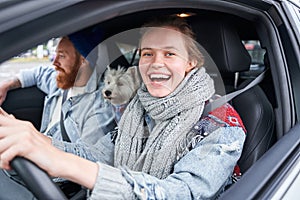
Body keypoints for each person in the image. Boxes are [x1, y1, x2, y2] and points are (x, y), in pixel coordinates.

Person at [0, 17, 246, 199]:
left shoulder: (221, 124)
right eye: (147, 54)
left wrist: (66, 164)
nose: (155, 64)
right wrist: (38, 142)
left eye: (169, 54)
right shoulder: (140, 109)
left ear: (190, 63)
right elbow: (99, 155)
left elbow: (181, 193)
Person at [0, 36, 115, 162]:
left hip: (56, 175)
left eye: (62, 56)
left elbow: (89, 158)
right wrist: (7, 84)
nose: (54, 62)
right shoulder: (63, 80)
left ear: (83, 60)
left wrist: (36, 141)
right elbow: (38, 73)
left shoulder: (100, 105)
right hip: (36, 159)